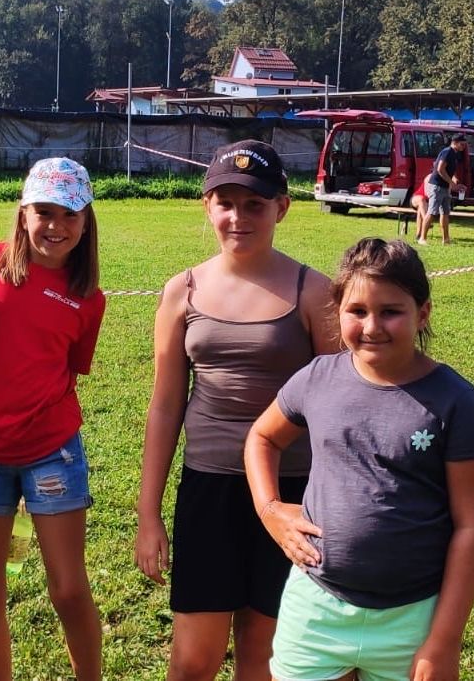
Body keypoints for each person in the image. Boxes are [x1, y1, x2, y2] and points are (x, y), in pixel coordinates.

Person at [245, 237, 474, 681]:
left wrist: (444, 640)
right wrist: (269, 509)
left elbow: (472, 527)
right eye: (357, 311)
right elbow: (262, 438)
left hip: (412, 618)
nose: (372, 326)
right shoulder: (317, 379)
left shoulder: (454, 401)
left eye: (391, 311)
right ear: (337, 311)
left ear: (423, 313)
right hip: (316, 606)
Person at [134, 140, 338, 681]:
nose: (238, 217)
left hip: (293, 495)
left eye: (254, 204)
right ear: (207, 207)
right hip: (209, 490)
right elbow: (165, 405)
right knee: (192, 660)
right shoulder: (183, 291)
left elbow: (342, 408)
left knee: (263, 656)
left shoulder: (314, 292)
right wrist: (148, 512)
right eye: (225, 202)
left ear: (282, 207)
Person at [0, 157, 105, 681]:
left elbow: (69, 370)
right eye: (44, 212)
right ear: (22, 212)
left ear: (86, 224)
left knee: (67, 588)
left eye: (69, 215)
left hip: (51, 452)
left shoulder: (88, 299)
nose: (55, 226)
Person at [418, 134, 469, 245]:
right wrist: (452, 183)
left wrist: (455, 180)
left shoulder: (455, 154)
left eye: (465, 144)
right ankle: (422, 238)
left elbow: (451, 169)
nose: (463, 147)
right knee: (432, 212)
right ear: (454, 142)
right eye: (462, 144)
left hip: (445, 187)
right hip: (436, 186)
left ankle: (446, 239)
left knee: (445, 212)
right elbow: (440, 169)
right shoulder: (447, 152)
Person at [410, 175, 430, 241]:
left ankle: (418, 235)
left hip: (426, 204)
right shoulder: (429, 178)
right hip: (416, 199)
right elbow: (427, 194)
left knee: (420, 210)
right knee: (421, 199)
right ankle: (426, 220)